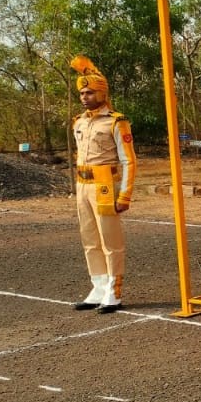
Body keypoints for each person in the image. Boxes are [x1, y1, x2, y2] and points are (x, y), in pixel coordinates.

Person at [69, 56, 137, 314]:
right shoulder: (79, 121)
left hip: (106, 185)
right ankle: (97, 285)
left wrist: (125, 195)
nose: (84, 97)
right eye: (82, 92)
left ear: (102, 93)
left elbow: (129, 161)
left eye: (90, 92)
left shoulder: (116, 121)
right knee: (89, 239)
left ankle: (113, 289)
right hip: (82, 185)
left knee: (111, 240)